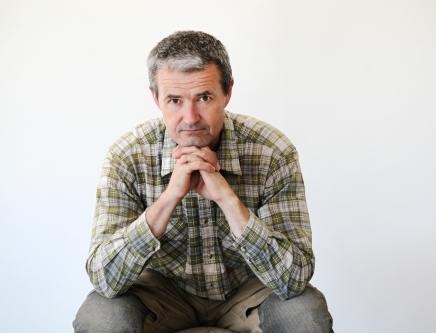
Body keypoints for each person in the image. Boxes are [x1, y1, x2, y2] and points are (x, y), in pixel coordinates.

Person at [73, 30, 333, 333]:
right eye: (174, 100)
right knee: (100, 316)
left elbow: (294, 278)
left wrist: (228, 199)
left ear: (227, 92)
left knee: (305, 313)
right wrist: (169, 197)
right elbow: (104, 278)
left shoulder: (271, 151)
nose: (190, 117)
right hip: (161, 295)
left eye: (204, 97)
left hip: (249, 291)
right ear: (156, 99)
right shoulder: (127, 156)